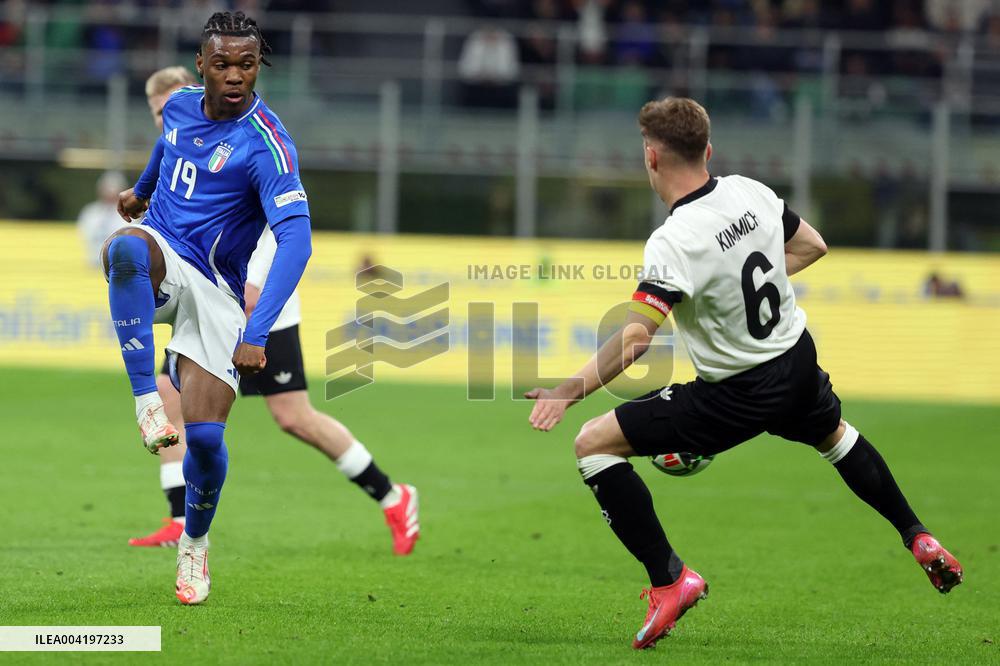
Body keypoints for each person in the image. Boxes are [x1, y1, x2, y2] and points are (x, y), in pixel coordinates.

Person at [525, 97, 963, 649]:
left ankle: (670, 580)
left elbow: (637, 338)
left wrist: (569, 391)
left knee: (593, 445)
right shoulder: (750, 191)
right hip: (797, 361)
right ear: (707, 150)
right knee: (836, 438)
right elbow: (813, 245)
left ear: (651, 159)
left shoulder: (674, 239)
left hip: (735, 393)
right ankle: (916, 534)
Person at [129, 66, 420, 563]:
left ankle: (393, 496)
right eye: (155, 115)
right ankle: (181, 521)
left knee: (293, 417)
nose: (162, 123)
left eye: (164, 112)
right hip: (208, 297)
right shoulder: (182, 149)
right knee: (169, 398)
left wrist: (254, 298)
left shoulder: (249, 140)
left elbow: (272, 232)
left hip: (260, 303)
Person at [78, 171, 127, 267]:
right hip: (92, 263)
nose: (110, 194)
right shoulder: (90, 212)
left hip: (117, 267)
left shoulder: (130, 214)